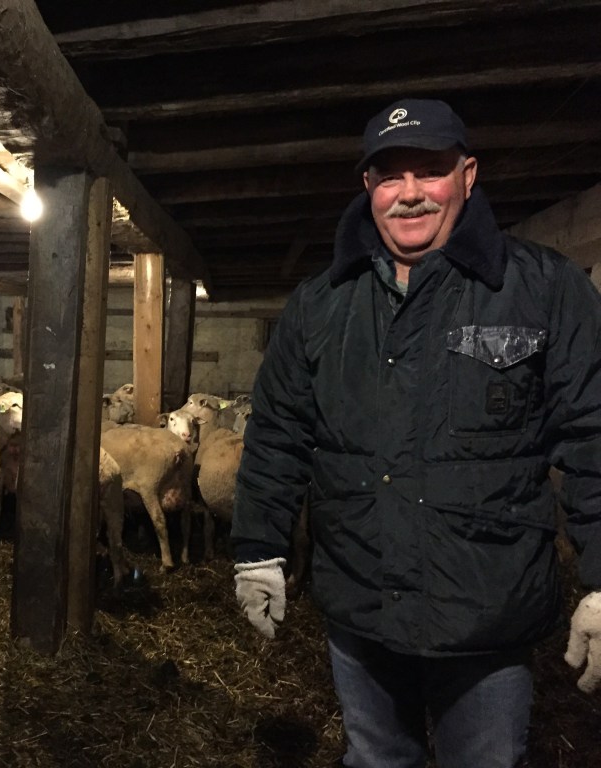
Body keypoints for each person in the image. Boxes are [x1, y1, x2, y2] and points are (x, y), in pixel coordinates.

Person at [230, 97, 601, 768]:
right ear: (368, 187)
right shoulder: (322, 303)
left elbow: (594, 434)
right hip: (361, 604)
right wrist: (259, 549)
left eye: (429, 171)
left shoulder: (543, 288)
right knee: (375, 758)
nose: (409, 195)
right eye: (390, 176)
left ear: (467, 174)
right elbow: (278, 433)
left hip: (485, 612)